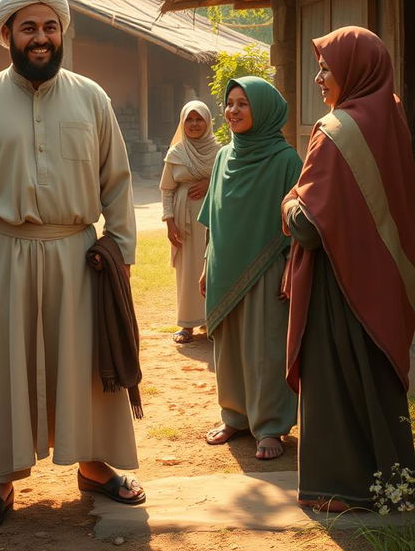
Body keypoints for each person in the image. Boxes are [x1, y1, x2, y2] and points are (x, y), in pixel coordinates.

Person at [0, 0, 145, 532]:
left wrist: (122, 250)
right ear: (7, 33)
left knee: (83, 364)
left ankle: (94, 465)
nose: (41, 38)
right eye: (28, 27)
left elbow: (118, 182)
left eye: (50, 27)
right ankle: (0, 478)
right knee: (0, 365)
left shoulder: (92, 98)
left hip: (80, 257)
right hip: (2, 252)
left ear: (62, 32)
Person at [282, 26, 415, 512]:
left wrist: (289, 202)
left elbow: (309, 227)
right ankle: (392, 481)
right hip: (384, 278)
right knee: (377, 376)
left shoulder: (334, 131)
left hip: (339, 282)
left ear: (353, 71)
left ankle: (342, 488)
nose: (320, 78)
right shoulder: (392, 114)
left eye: (326, 68)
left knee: (336, 377)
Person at [200, 76, 301, 460]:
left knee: (264, 349)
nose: (232, 111)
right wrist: (206, 264)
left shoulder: (286, 160)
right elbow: (214, 214)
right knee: (228, 348)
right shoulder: (224, 156)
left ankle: (270, 426)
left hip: (267, 269)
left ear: (264, 109)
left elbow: (298, 220)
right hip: (223, 264)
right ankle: (235, 416)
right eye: (229, 103)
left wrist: (291, 266)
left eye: (243, 104)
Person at [160, 100, 219, 344]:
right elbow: (166, 190)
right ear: (183, 123)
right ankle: (187, 325)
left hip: (214, 219)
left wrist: (210, 182)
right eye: (189, 120)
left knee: (214, 268)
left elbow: (229, 181)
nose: (194, 124)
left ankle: (212, 321)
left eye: (199, 119)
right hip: (183, 221)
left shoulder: (220, 151)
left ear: (208, 122)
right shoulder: (176, 152)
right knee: (187, 271)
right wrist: (169, 222)